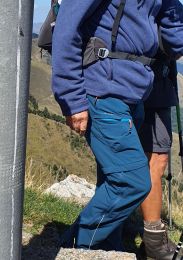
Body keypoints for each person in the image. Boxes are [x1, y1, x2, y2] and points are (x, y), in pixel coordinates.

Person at [51, 0, 183, 251]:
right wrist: (72, 98)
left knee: (111, 180)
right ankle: (75, 248)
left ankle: (106, 249)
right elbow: (67, 29)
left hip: (134, 96)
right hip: (103, 90)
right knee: (132, 182)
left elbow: (177, 37)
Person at [138, 43, 181, 259]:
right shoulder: (156, 8)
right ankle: (153, 239)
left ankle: (141, 230)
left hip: (146, 80)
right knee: (155, 158)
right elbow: (174, 40)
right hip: (151, 84)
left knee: (147, 157)